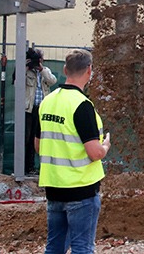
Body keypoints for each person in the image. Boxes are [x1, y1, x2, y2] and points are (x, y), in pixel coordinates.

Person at [35, 49, 110, 254]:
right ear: (89, 71)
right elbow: (94, 153)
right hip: (81, 189)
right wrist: (105, 147)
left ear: (65, 69)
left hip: (54, 187)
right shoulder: (82, 106)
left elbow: (38, 146)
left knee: (55, 247)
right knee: (82, 247)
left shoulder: (47, 102)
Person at [23, 47, 58, 175]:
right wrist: (25, 68)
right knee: (27, 138)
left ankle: (37, 167)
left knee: (40, 139)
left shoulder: (45, 71)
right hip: (28, 109)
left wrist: (41, 69)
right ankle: (25, 167)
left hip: (42, 109)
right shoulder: (26, 72)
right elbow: (17, 84)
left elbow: (53, 80)